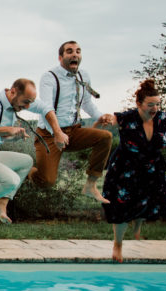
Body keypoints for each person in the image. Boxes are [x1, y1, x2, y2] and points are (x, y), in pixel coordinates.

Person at [101, 79, 166, 261]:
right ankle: (118, 245)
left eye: (157, 104)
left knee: (153, 201)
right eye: (150, 105)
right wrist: (103, 120)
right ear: (139, 104)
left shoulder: (162, 119)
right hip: (125, 168)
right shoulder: (127, 118)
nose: (155, 108)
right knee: (121, 208)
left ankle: (137, 226)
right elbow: (110, 121)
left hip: (152, 169)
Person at [0, 79, 60, 226]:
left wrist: (13, 137)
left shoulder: (14, 105)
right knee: (11, 180)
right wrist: (8, 129)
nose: (27, 107)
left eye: (30, 103)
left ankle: (1, 201)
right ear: (13, 91)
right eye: (25, 102)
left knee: (26, 161)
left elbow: (44, 108)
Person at [29, 41, 115, 203]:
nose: (75, 54)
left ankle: (90, 186)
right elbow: (46, 108)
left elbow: (87, 103)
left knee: (105, 137)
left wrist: (100, 116)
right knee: (46, 181)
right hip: (49, 134)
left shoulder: (83, 75)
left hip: (73, 131)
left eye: (78, 51)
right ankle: (25, 170)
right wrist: (57, 133)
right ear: (60, 57)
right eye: (69, 51)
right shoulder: (49, 77)